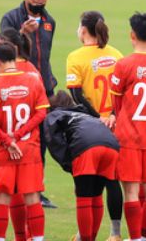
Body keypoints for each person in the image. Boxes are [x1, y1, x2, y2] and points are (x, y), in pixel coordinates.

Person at [108, 12, 146, 241]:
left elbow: (116, 103)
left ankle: (135, 238)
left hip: (128, 137)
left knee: (131, 192)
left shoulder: (123, 64)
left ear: (132, 35)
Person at [65, 11, 124, 240]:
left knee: (88, 183)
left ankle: (84, 234)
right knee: (112, 180)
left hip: (91, 128)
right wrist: (112, 115)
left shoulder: (75, 57)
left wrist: (98, 117)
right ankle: (115, 233)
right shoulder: (116, 54)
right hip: (115, 124)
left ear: (83, 30)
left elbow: (76, 95)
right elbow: (123, 92)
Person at [0, 0, 57, 209]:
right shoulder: (11, 18)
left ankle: (36, 190)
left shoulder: (49, 21)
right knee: (15, 137)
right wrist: (22, 31)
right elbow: (3, 47)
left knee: (40, 141)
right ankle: (13, 189)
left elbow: (46, 55)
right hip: (17, 87)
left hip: (42, 88)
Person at [0, 43, 49, 241]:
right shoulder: (32, 81)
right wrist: (19, 134)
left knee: (2, 199)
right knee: (32, 197)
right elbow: (41, 113)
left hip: (2, 150)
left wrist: (8, 140)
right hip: (28, 148)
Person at [44, 91, 120, 241]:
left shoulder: (54, 115)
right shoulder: (85, 113)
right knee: (96, 194)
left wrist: (69, 165)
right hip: (111, 145)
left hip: (87, 147)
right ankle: (91, 238)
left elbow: (54, 142)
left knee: (84, 196)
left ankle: (85, 238)